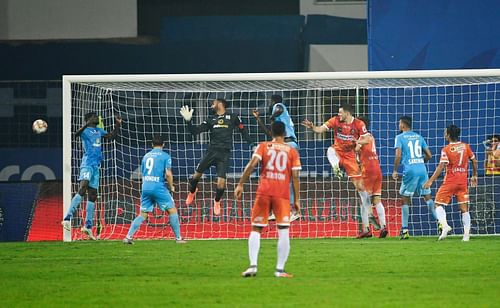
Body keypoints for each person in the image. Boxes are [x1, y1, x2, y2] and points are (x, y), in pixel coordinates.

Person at [235, 121, 301, 278]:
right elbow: (296, 176)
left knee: (256, 228)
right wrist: (297, 200)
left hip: (264, 191)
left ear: (271, 133)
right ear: (284, 134)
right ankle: (279, 270)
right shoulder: (291, 151)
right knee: (283, 230)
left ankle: (252, 266)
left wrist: (240, 184)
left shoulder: (263, 146)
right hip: (282, 194)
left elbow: (251, 165)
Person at [302, 102, 374, 238]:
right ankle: (335, 167)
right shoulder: (335, 120)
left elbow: (368, 139)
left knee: (362, 191)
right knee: (330, 149)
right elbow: (320, 130)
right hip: (337, 152)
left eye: (341, 112)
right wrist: (312, 127)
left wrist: (357, 141)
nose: (338, 114)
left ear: (347, 113)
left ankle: (367, 227)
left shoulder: (358, 124)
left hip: (350, 158)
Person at [180, 98, 253, 215]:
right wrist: (188, 121)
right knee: (195, 177)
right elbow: (195, 131)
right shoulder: (210, 119)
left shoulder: (233, 117)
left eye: (213, 103)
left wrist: (252, 144)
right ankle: (192, 192)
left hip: (224, 154)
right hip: (211, 152)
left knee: (221, 184)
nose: (211, 105)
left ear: (220, 103)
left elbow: (243, 131)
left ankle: (217, 201)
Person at [61, 112, 122, 240]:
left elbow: (110, 137)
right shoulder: (85, 131)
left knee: (93, 195)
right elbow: (75, 134)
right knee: (83, 188)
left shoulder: (98, 130)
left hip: (96, 166)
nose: (97, 117)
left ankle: (88, 227)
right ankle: (67, 218)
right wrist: (85, 125)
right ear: (89, 119)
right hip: (87, 164)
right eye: (94, 116)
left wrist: (117, 125)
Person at [123, 135, 186, 244]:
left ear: (152, 145)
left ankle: (128, 237)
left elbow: (143, 172)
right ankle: (178, 238)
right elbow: (168, 174)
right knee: (172, 210)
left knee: (143, 214)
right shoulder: (165, 156)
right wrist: (171, 186)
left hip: (146, 186)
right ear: (163, 144)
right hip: (158, 186)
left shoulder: (146, 156)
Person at [423, 125, 478, 241]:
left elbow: (441, 165)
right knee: (464, 208)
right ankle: (466, 235)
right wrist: (474, 175)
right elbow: (474, 160)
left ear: (448, 135)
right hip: (463, 182)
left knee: (437, 204)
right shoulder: (465, 146)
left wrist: (430, 181)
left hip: (450, 182)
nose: (444, 135)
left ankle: (445, 226)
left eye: (445, 133)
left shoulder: (446, 149)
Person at [252, 94, 300, 222]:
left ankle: (292, 211)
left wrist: (271, 116)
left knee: (288, 178)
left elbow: (279, 109)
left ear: (273, 102)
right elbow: (269, 133)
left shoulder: (278, 107)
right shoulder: (278, 121)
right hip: (282, 145)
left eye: (270, 102)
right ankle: (278, 210)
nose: (269, 104)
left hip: (289, 144)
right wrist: (259, 119)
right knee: (279, 178)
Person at [392, 116, 438, 240]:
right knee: (427, 197)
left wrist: (395, 170)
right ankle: (440, 222)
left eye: (399, 123)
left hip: (410, 170)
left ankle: (405, 230)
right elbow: (429, 155)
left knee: (405, 199)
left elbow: (398, 155)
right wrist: (420, 161)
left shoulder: (399, 137)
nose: (398, 125)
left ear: (403, 125)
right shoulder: (419, 136)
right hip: (422, 169)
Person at [356, 116, 388, 238]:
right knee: (377, 200)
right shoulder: (371, 136)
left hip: (367, 171)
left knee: (363, 201)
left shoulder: (363, 137)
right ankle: (384, 226)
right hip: (377, 170)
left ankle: (366, 229)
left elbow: (357, 147)